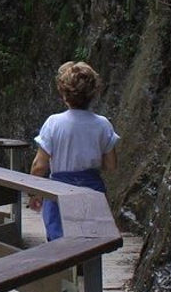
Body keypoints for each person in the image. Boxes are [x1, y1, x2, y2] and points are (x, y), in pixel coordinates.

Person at [29, 61, 118, 241]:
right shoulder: (103, 124)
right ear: (93, 93)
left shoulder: (53, 123)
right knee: (92, 241)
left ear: (64, 94)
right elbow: (111, 165)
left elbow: (39, 166)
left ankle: (65, 269)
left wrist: (34, 193)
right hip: (92, 190)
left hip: (58, 190)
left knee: (60, 242)